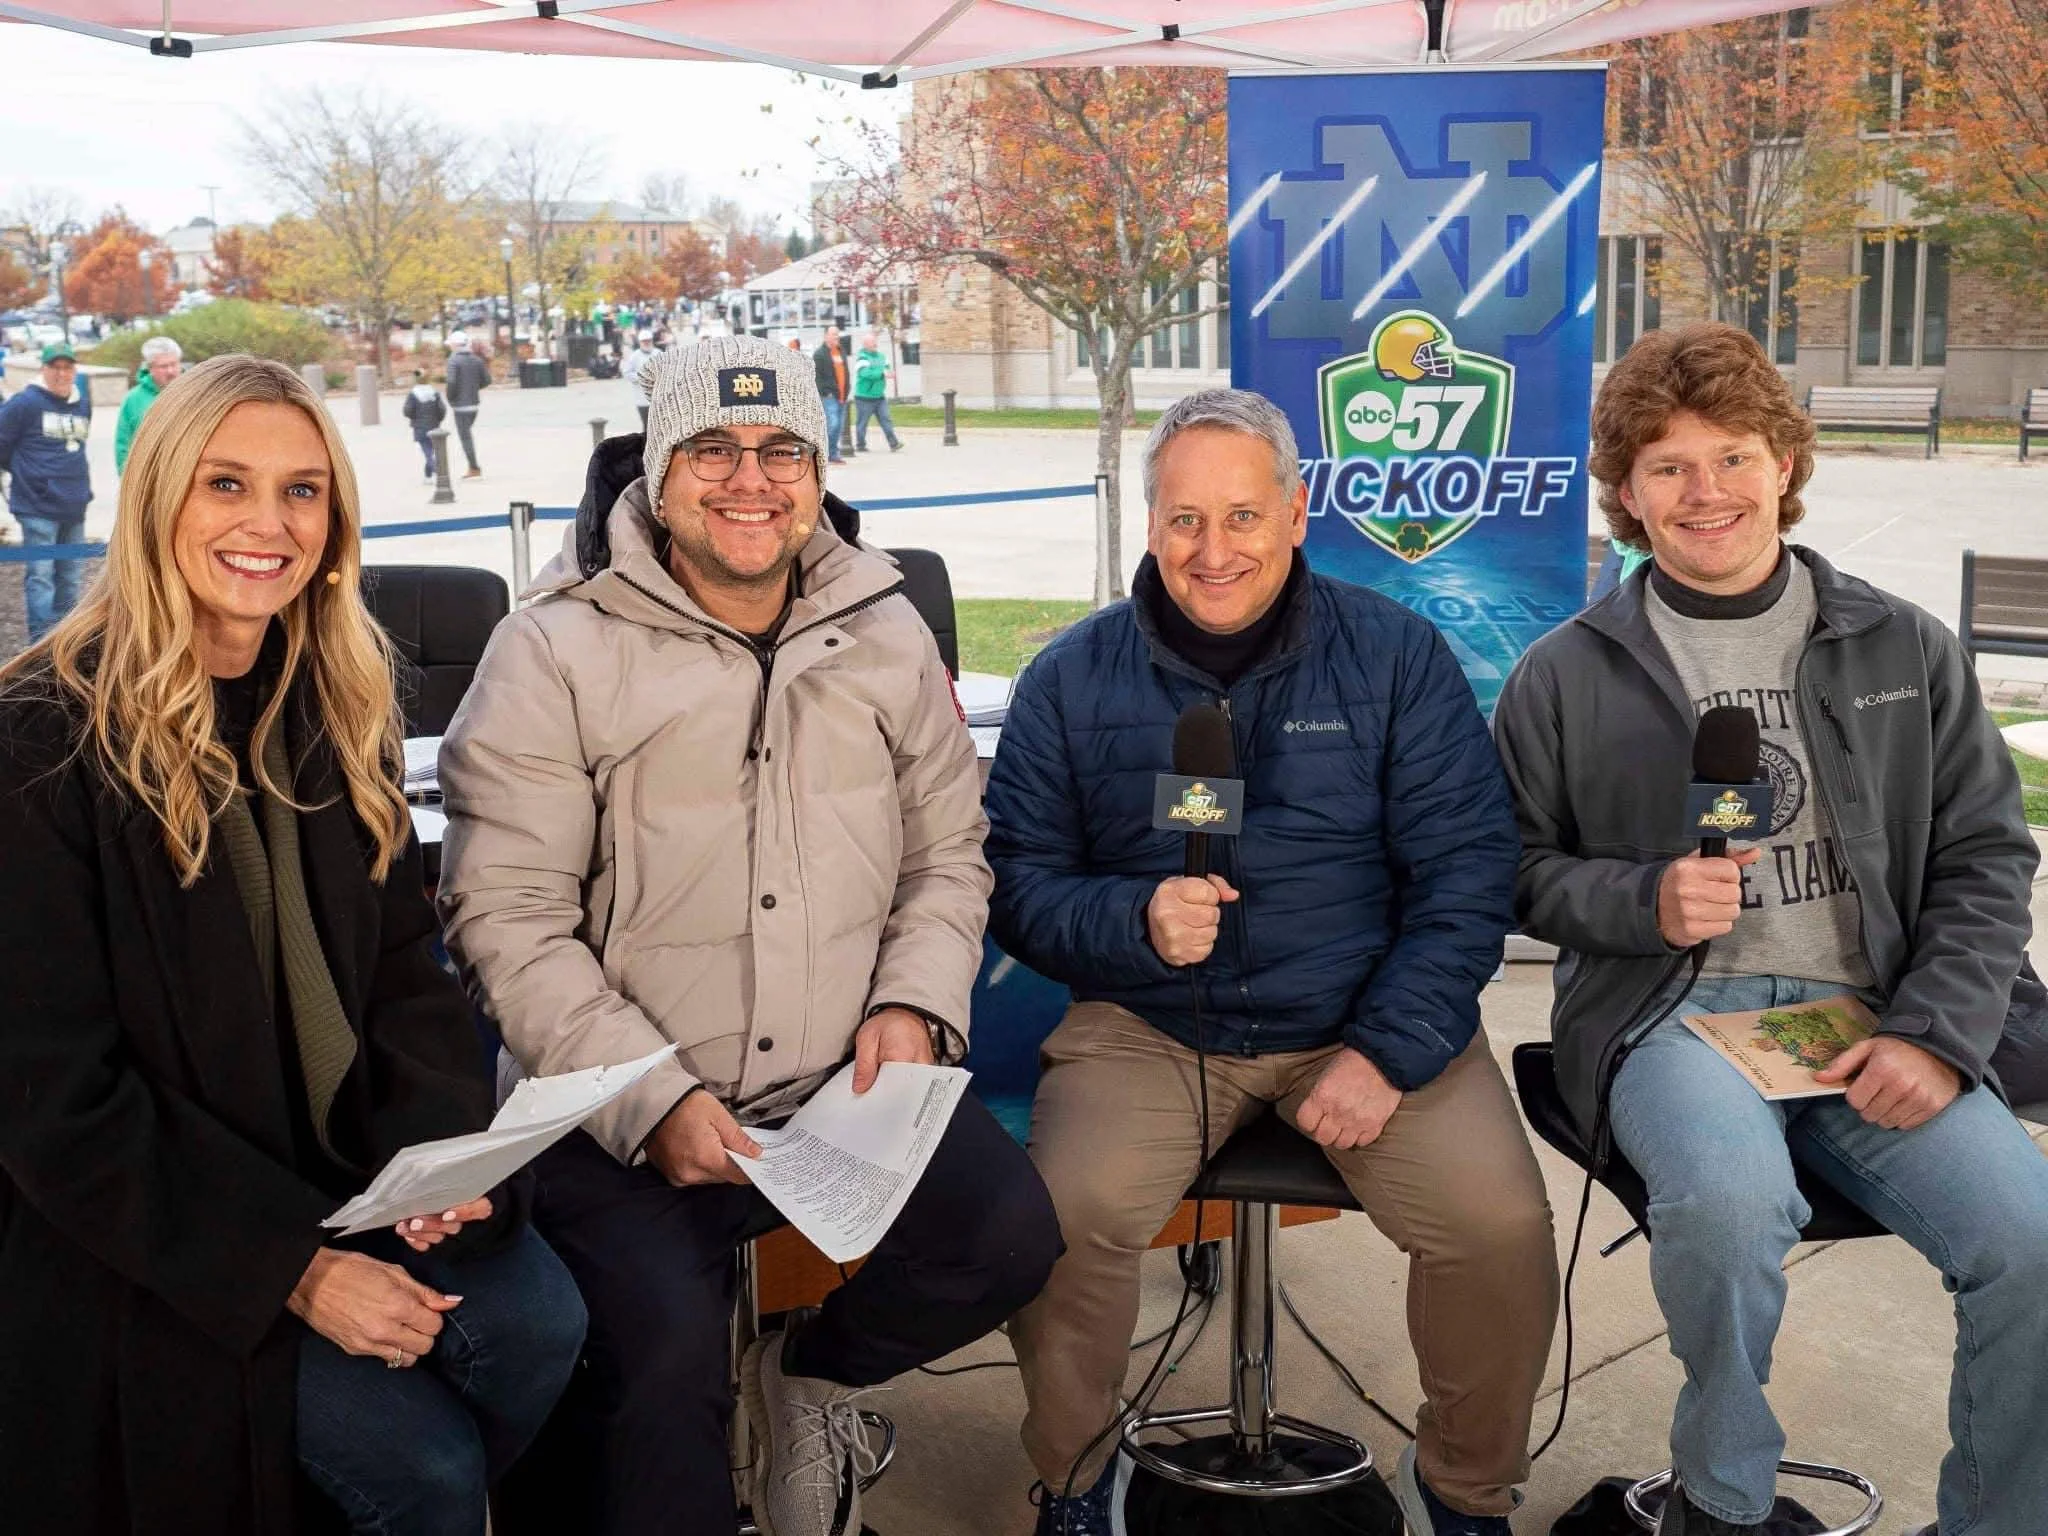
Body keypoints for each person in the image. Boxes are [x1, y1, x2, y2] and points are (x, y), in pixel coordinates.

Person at [437, 334, 1062, 1536]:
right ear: (657, 473)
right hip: (615, 1110)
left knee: (1005, 1242)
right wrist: (647, 1099)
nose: (750, 479)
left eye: (782, 449)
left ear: (818, 468)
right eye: (712, 448)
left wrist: (913, 1005)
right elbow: (506, 918)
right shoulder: (551, 649)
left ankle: (811, 1377)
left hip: (842, 1086)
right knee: (655, 1386)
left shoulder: (884, 632)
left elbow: (946, 856)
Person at [0, 354, 586, 1536]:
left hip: (345, 1173)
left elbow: (398, 973)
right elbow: (54, 1101)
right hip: (155, 1229)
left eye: (303, 491)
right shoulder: (39, 746)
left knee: (541, 1326)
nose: (269, 523)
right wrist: (295, 1272)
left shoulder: (331, 707)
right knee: (417, 1468)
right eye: (227, 485)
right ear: (160, 498)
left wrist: (435, 1165)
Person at [1492, 323, 2048, 1536]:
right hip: (1672, 1022)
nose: (1707, 494)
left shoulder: (1900, 644)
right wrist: (1639, 899)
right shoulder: (1561, 673)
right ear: (1626, 495)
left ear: (1784, 465)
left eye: (1733, 457)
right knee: (1728, 1210)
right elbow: (1513, 875)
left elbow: (1986, 857)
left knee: (2032, 1242)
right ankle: (1722, 1500)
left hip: (1874, 1017)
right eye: (1669, 468)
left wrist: (1938, 1035)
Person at [986, 387, 1559, 1536]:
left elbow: (1464, 874)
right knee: (1060, 1217)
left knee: (1496, 1228)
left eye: (1242, 517)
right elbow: (1018, 886)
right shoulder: (1068, 678)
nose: (1212, 551)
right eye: (1184, 519)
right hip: (1147, 1027)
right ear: (1149, 524)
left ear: (1296, 515)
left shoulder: (1395, 656)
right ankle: (1074, 1481)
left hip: (1361, 1016)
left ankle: (1461, 1493)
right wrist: (1132, 919)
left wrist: (1386, 1051)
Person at [0, 341, 94, 641]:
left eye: (67, 367)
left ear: (74, 370)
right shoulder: (24, 403)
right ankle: (40, 646)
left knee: (70, 577)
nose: (61, 373)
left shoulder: (82, 402)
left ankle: (65, 643)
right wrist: (30, 475)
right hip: (36, 506)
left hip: (74, 505)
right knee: (41, 578)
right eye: (55, 367)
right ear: (44, 369)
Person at [114, 334, 184, 474]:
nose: (170, 371)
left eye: (174, 364)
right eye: (163, 366)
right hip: (150, 478)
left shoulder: (195, 391)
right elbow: (123, 446)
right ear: (150, 368)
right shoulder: (133, 400)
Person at [442, 332, 489, 479]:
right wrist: (473, 388)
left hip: (460, 406)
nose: (450, 347)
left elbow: (452, 382)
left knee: (465, 437)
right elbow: (486, 380)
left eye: (451, 344)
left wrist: (450, 398)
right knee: (467, 433)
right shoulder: (476, 360)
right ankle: (473, 466)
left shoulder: (453, 361)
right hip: (474, 404)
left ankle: (474, 467)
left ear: (455, 345)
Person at [852, 330, 902, 453]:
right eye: (872, 342)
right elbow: (865, 373)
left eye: (875, 341)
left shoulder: (882, 357)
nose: (875, 344)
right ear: (865, 344)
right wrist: (882, 373)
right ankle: (860, 444)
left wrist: (888, 373)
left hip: (879, 396)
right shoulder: (862, 358)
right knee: (862, 423)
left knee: (886, 419)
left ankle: (894, 443)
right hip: (864, 397)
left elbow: (887, 369)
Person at [812, 322, 850, 464]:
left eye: (837, 334)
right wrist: (826, 392)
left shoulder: (841, 351)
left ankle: (833, 454)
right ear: (826, 336)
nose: (836, 337)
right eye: (833, 334)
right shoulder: (819, 354)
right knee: (832, 424)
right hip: (829, 396)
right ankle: (824, 453)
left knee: (839, 427)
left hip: (842, 396)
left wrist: (846, 391)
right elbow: (817, 377)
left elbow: (845, 372)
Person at [401, 367, 447, 481]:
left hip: (420, 427)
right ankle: (428, 475)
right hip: (434, 425)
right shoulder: (434, 393)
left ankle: (436, 469)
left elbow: (407, 411)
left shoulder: (413, 394)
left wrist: (413, 418)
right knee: (432, 450)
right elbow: (442, 409)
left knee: (428, 451)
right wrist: (438, 419)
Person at [620, 330, 659, 429]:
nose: (646, 343)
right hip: (642, 398)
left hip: (658, 397)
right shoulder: (634, 356)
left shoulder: (658, 353)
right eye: (644, 341)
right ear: (640, 342)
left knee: (659, 426)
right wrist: (642, 378)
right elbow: (627, 373)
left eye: (648, 341)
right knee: (647, 425)